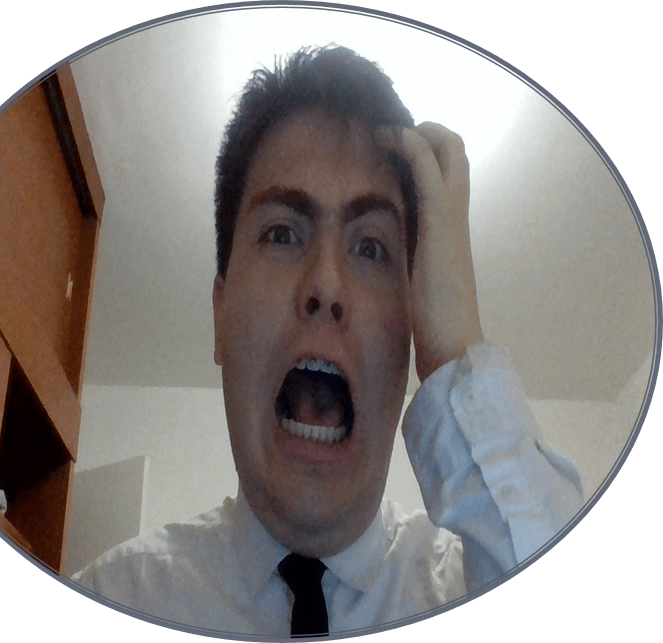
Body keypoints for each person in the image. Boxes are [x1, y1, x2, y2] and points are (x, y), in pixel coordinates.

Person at [73, 46, 583, 636]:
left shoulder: (472, 588)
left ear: (411, 330)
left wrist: (456, 349)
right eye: (283, 234)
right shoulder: (111, 599)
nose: (326, 284)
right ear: (219, 314)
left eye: (371, 248)